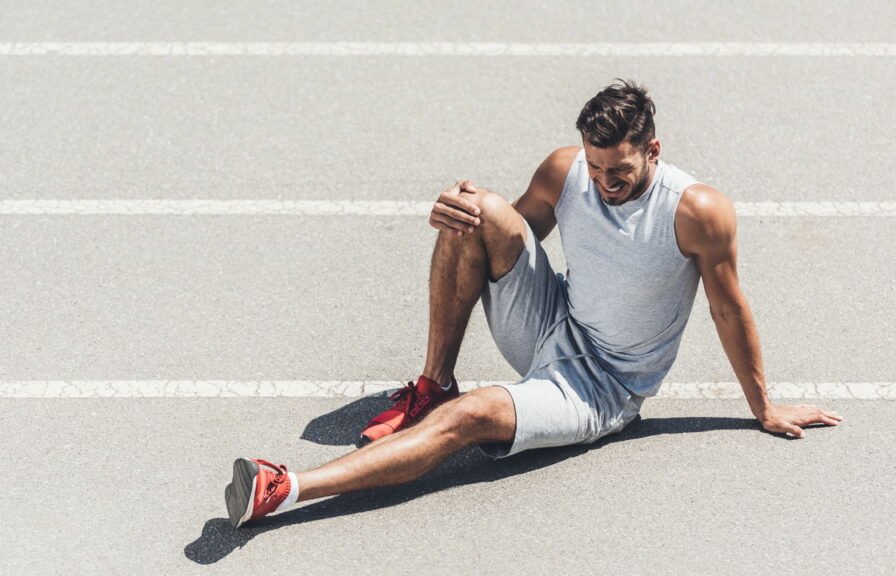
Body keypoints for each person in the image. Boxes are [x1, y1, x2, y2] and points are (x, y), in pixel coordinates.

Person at [222, 79, 844, 529]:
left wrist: (762, 407)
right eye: (596, 168)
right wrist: (453, 218)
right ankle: (431, 384)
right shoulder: (567, 170)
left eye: (619, 171)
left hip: (602, 387)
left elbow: (728, 309)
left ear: (653, 150)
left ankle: (287, 488)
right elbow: (504, 240)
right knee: (474, 210)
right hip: (553, 320)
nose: (604, 183)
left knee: (474, 416)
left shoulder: (697, 213)